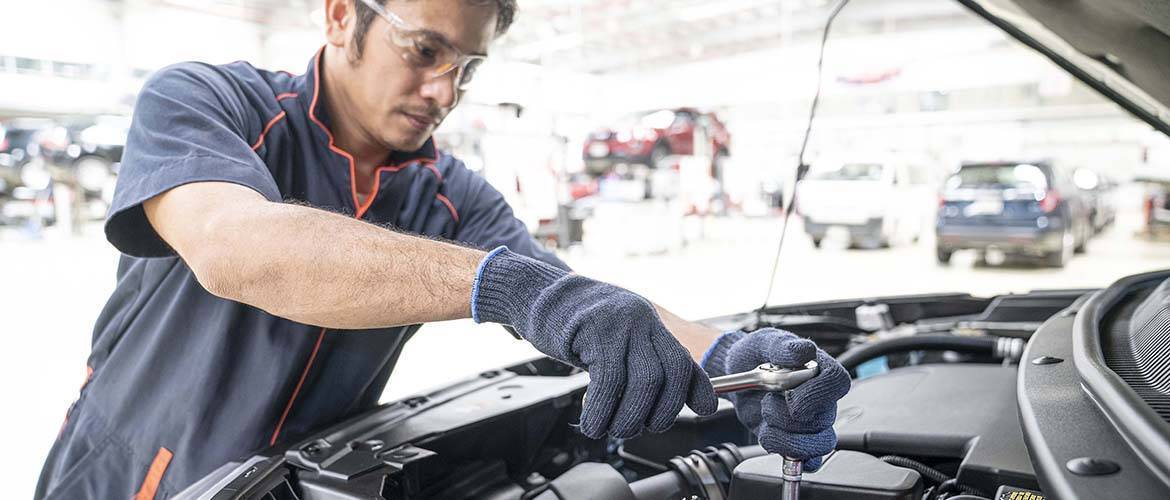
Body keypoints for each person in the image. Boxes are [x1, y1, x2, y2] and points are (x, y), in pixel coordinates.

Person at [34, 0, 850, 497]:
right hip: (136, 476)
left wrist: (734, 356)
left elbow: (583, 307)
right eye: (424, 51)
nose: (444, 93)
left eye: (468, 68)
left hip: (297, 487)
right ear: (340, 15)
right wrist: (501, 287)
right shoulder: (208, 100)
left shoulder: (453, 195)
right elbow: (236, 247)